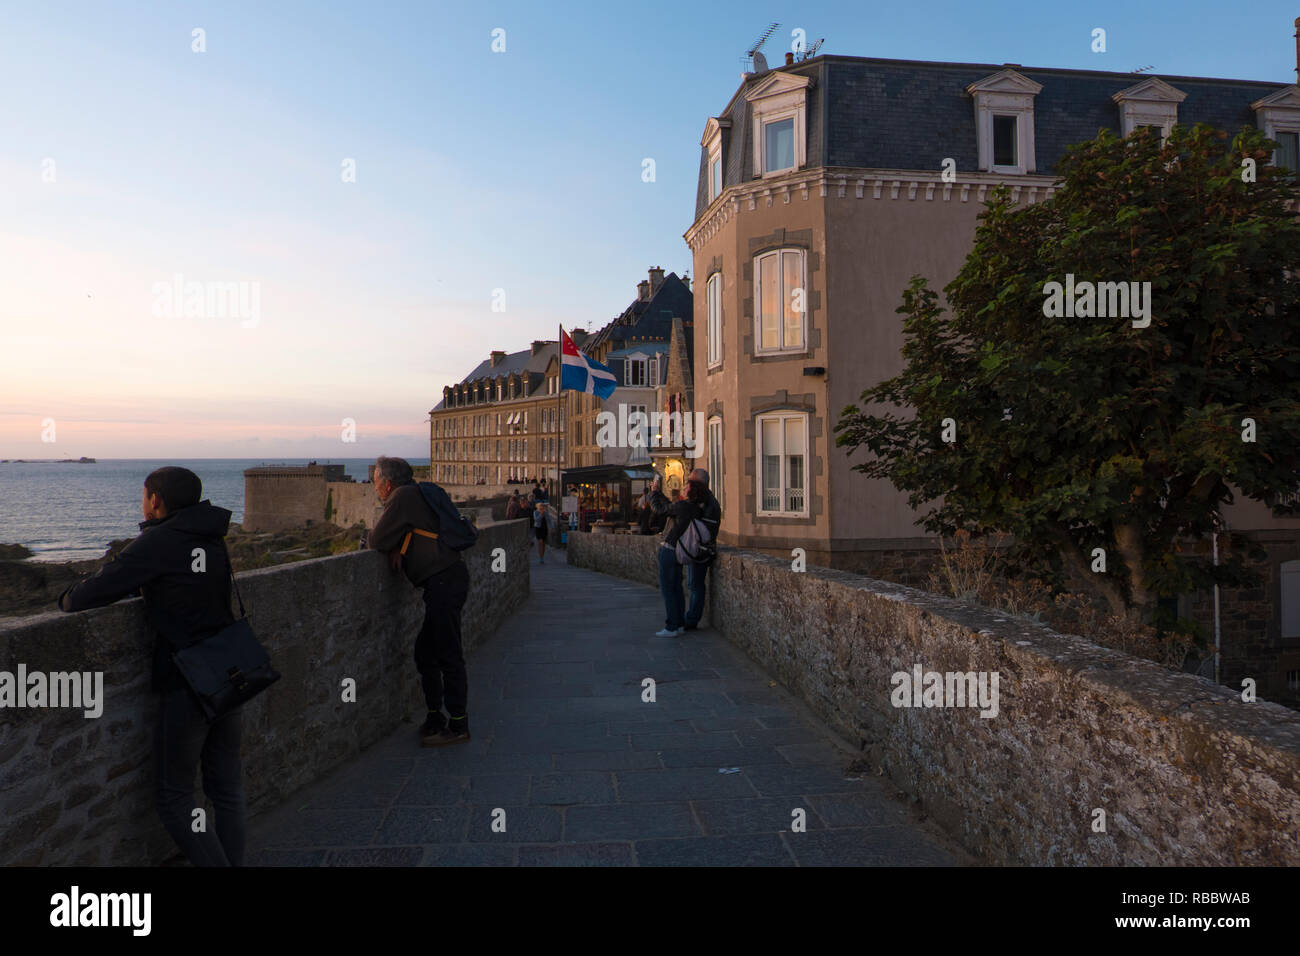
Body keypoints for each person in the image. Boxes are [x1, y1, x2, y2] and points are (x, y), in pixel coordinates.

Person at [57, 466, 247, 866]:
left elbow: (86, 597)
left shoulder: (159, 541)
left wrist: (63, 596)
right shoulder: (210, 535)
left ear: (156, 500)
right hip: (230, 665)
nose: (142, 503)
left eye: (145, 496)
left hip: (189, 676)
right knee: (225, 786)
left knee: (174, 797)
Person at [367, 456, 471, 747]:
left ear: (387, 483)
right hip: (447, 579)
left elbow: (377, 540)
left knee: (448, 653)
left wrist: (384, 543)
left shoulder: (403, 497)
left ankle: (459, 724)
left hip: (443, 581)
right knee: (426, 653)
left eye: (376, 482)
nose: (375, 488)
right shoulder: (419, 492)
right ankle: (435, 716)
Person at [648, 469, 720, 637]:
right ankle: (680, 623)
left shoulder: (688, 507)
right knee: (679, 587)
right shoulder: (697, 507)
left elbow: (661, 510)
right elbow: (672, 508)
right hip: (690, 550)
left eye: (689, 483)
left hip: (675, 549)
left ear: (694, 488)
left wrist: (653, 494)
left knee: (670, 588)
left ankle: (674, 625)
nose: (685, 485)